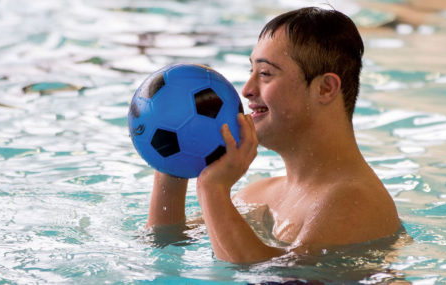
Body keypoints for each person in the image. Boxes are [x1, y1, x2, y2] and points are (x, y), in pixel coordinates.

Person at [146, 7, 400, 264]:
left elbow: (273, 276)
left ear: (325, 89)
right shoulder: (261, 196)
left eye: (265, 73)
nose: (246, 90)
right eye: (251, 72)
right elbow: (165, 243)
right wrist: (171, 164)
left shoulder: (354, 201)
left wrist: (212, 189)